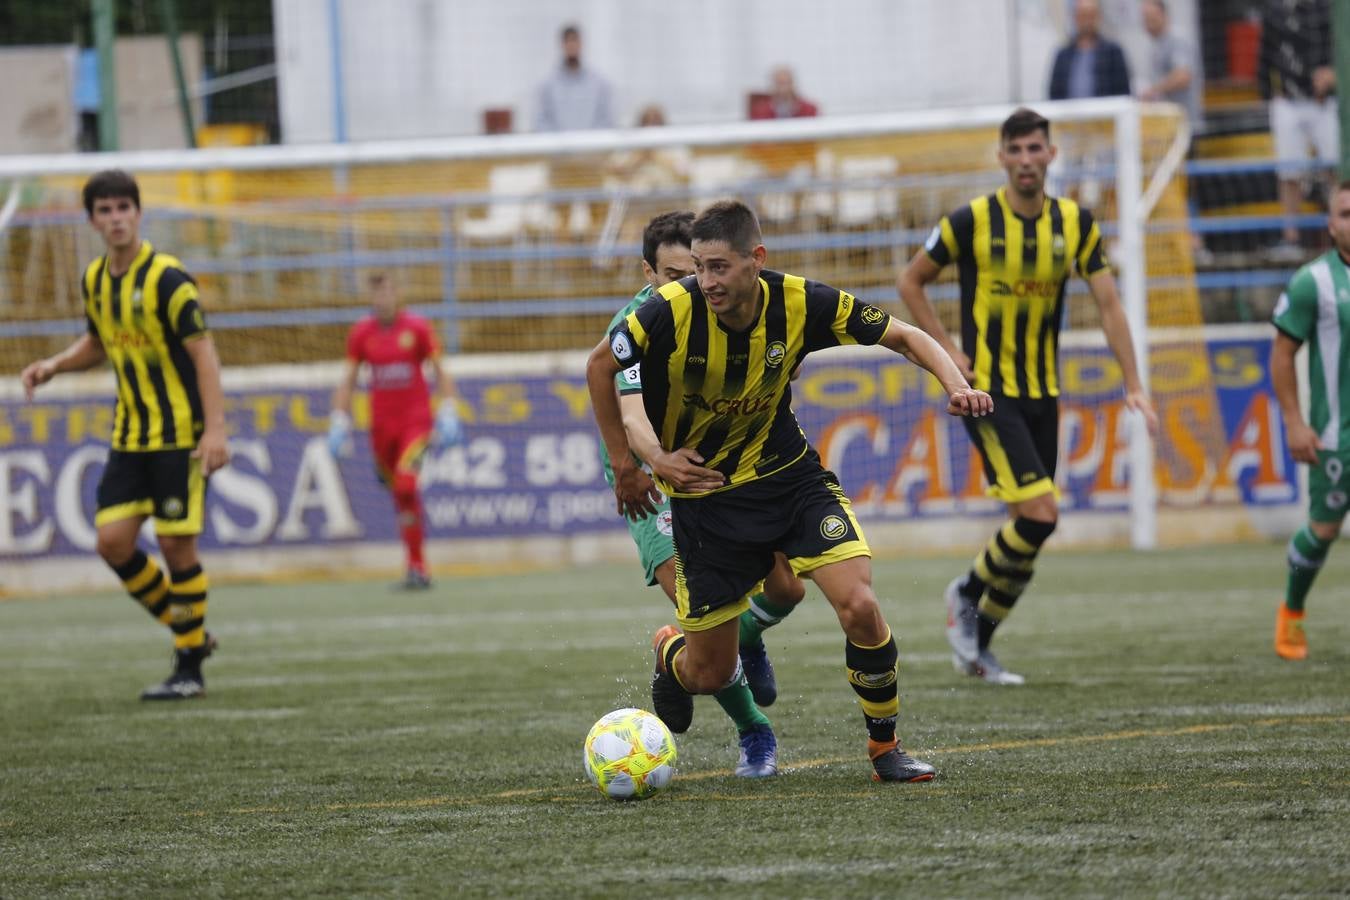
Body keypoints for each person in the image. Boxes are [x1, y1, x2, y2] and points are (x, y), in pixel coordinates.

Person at [588, 200, 993, 783]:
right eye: (697, 268)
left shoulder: (803, 302)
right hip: (706, 500)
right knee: (707, 673)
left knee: (860, 605)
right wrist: (647, 460)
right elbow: (612, 381)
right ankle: (672, 655)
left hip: (789, 480)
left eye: (718, 267)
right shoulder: (664, 311)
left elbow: (905, 337)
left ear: (757, 259)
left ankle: (886, 749)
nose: (705, 282)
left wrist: (958, 385)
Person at [898, 107, 1158, 685]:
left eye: (1034, 149)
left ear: (1050, 155)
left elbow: (1111, 306)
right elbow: (910, 281)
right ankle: (964, 593)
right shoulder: (971, 221)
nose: (1025, 160)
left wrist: (1134, 383)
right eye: (1014, 151)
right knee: (1042, 513)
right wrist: (948, 353)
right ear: (1001, 157)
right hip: (989, 393)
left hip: (1045, 391)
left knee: (1029, 530)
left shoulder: (1076, 223)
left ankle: (978, 649)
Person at [598, 210, 806, 778]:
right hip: (650, 480)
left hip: (719, 469)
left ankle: (686, 647)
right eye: (672, 274)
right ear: (648, 273)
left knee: (788, 589)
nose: (688, 285)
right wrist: (643, 465)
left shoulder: (722, 311)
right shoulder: (638, 323)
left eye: (694, 271)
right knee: (706, 618)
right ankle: (755, 734)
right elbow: (630, 412)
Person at [20, 169, 230, 700]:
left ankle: (189, 670)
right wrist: (54, 365)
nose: (116, 219)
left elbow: (203, 353)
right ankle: (193, 636)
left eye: (123, 208)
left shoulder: (168, 279)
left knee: (175, 545)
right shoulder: (94, 280)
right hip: (131, 435)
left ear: (139, 213)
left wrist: (216, 429)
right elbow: (98, 341)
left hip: (179, 435)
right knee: (112, 542)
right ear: (92, 220)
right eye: (105, 210)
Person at [328, 273, 464, 589]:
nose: (383, 299)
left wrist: (449, 409)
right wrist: (338, 419)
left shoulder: (416, 328)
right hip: (381, 429)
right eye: (378, 294)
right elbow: (348, 379)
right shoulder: (362, 333)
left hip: (415, 425)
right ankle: (416, 568)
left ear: (397, 295)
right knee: (401, 496)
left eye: (388, 292)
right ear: (371, 298)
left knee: (405, 485)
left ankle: (418, 565)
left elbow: (440, 369)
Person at [1269, 181, 1350, 660]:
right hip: (1338, 436)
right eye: (1345, 213)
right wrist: (1295, 424)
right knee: (1323, 530)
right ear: (1331, 224)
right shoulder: (1312, 283)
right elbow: (1282, 355)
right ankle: (1292, 611)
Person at [1258, 0, 1337, 259]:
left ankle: (1340, 233)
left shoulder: (1327, 9)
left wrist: (1333, 73)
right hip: (1287, 101)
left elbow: (1340, 46)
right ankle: (1290, 238)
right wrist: (1268, 94)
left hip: (1323, 102)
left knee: (1334, 168)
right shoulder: (1274, 12)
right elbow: (1265, 55)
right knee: (1288, 170)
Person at [533, 24, 614, 132]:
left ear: (581, 44)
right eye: (568, 41)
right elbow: (541, 121)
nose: (571, 46)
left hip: (591, 147)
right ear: (562, 45)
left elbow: (607, 119)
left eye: (574, 41)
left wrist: (589, 141)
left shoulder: (599, 84)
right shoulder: (547, 86)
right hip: (559, 147)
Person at [1047, 0, 1131, 100]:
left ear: (1099, 17)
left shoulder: (1113, 52)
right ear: (1075, 18)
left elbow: (1123, 93)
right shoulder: (1062, 55)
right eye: (1083, 16)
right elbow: (1054, 94)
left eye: (1091, 16)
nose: (1087, 21)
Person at [749, 66, 819, 120]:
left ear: (793, 84)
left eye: (786, 83)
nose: (783, 89)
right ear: (772, 85)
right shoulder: (760, 111)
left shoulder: (809, 109)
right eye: (779, 83)